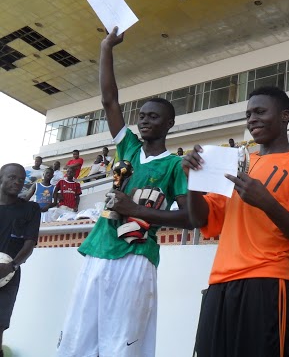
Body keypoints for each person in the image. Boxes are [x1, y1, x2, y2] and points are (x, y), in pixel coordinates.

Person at [56, 27, 191, 357]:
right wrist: (106, 47)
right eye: (141, 116)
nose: (144, 121)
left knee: (122, 345)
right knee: (78, 341)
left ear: (169, 123)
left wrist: (137, 210)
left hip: (136, 257)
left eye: (153, 117)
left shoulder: (176, 165)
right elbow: (109, 100)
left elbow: (190, 218)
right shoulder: (128, 147)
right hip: (99, 248)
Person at [182, 86, 289, 357]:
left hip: (266, 281)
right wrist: (193, 182)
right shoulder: (236, 162)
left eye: (260, 112)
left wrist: (267, 203)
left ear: (284, 116)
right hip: (220, 281)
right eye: (248, 114)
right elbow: (201, 219)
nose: (252, 119)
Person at [0, 164, 41, 357]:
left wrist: (12, 266)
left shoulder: (30, 209)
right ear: (1, 178)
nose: (17, 182)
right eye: (12, 177)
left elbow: (29, 244)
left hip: (8, 274)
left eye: (21, 179)